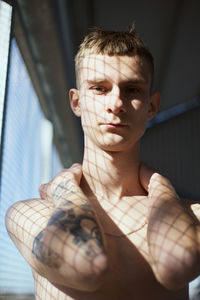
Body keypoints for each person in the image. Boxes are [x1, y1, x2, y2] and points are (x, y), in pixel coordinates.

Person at [6, 26, 200, 300]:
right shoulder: (29, 214)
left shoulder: (191, 214)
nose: (116, 103)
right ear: (76, 102)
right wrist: (66, 188)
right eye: (99, 88)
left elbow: (175, 265)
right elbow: (85, 266)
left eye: (132, 89)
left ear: (152, 106)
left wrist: (161, 186)